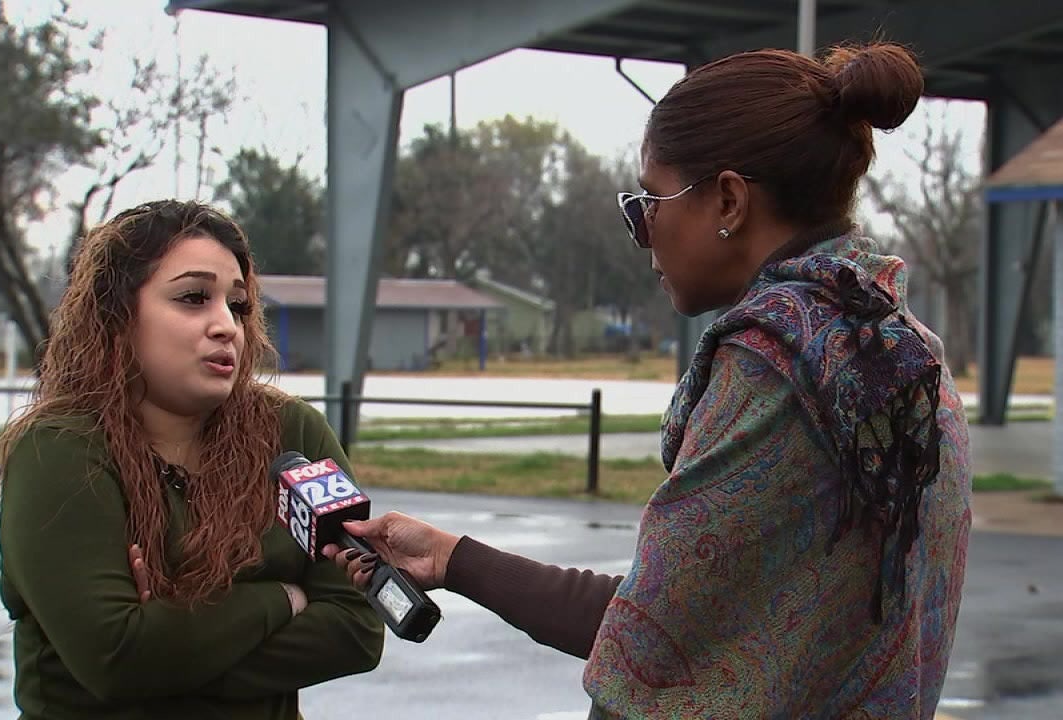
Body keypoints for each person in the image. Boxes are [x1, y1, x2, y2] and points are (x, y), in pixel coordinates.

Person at [325, 42, 972, 719]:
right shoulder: (899, 350)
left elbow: (649, 647)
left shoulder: (772, 370)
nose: (643, 233)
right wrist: (451, 558)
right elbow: (669, 617)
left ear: (727, 200)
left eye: (648, 202)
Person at [0, 200, 384, 720]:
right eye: (194, 298)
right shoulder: (60, 449)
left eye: (237, 305)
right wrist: (282, 599)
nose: (226, 326)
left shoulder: (292, 431)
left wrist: (173, 646)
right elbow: (119, 658)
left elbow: (358, 626)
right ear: (118, 316)